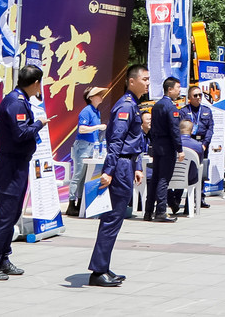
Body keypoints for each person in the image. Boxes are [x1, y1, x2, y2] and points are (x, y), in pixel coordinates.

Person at [0, 64, 45, 279]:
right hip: (11, 164)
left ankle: (2, 258)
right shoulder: (16, 102)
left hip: (18, 163)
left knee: (13, 214)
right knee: (5, 216)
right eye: (40, 83)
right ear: (36, 83)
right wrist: (39, 124)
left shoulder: (19, 99)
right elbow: (20, 133)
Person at [87, 63, 150, 287]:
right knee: (112, 219)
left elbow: (136, 140)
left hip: (127, 164)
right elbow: (116, 141)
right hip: (120, 165)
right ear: (132, 81)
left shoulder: (133, 105)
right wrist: (108, 171)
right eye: (144, 79)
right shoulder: (125, 106)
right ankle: (98, 271)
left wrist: (138, 165)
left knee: (115, 219)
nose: (148, 83)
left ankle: (103, 266)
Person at [146, 77, 184, 222]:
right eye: (177, 87)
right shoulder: (171, 107)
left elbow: (152, 128)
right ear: (170, 89)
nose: (179, 90)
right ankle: (161, 211)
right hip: (167, 146)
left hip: (157, 145)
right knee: (163, 179)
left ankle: (148, 211)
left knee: (155, 178)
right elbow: (175, 130)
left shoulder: (156, 106)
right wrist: (179, 149)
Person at [182, 83, 214, 208]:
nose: (199, 97)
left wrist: (205, 144)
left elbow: (210, 129)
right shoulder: (184, 111)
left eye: (200, 95)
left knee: (202, 171)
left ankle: (200, 197)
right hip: (189, 143)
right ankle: (185, 199)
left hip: (202, 144)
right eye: (195, 95)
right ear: (190, 97)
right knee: (187, 170)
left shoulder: (206, 110)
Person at [73, 86, 107, 168]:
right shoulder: (86, 111)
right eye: (98, 94)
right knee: (80, 174)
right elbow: (81, 129)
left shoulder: (97, 111)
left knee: (88, 173)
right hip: (84, 145)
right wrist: (98, 127)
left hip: (93, 146)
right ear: (91, 98)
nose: (101, 96)